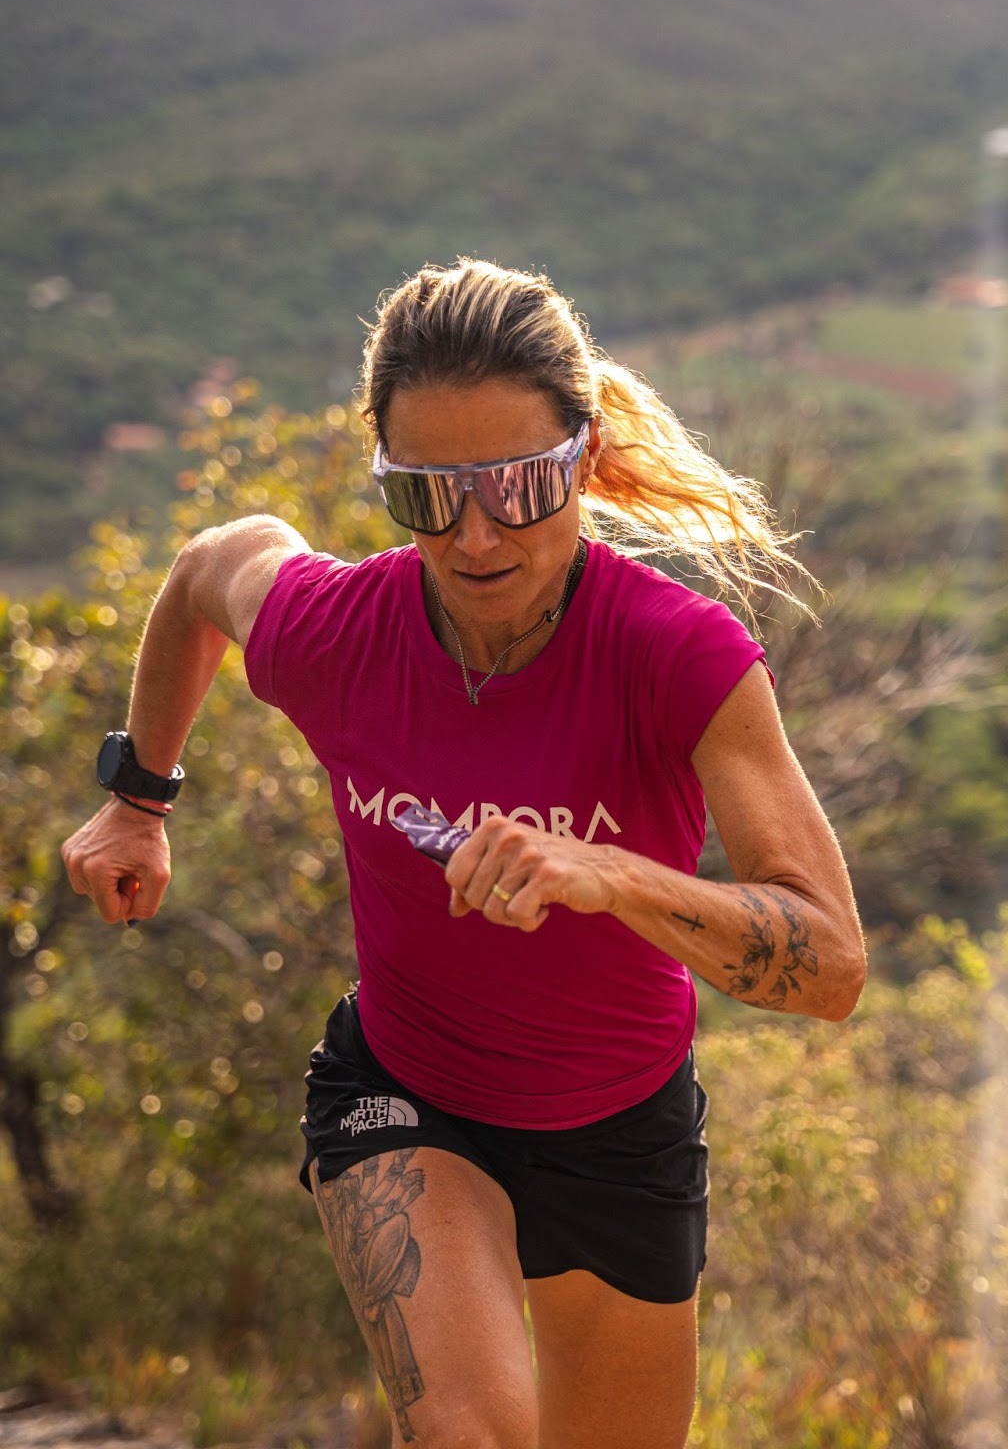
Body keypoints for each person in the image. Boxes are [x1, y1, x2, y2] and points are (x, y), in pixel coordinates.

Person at [61, 259, 866, 1449]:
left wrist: (614, 876)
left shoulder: (677, 657)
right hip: (405, 1089)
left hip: (620, 1128)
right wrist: (138, 800)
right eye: (427, 496)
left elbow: (832, 965)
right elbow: (206, 570)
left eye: (520, 485)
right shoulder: (340, 634)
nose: (476, 536)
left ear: (584, 458)